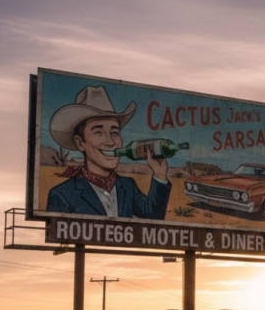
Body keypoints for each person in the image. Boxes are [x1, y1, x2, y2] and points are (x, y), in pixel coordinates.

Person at [46, 85, 171, 219]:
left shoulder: (128, 186)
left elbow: (153, 218)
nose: (110, 142)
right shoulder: (62, 194)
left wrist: (159, 174)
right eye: (98, 132)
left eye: (115, 132)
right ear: (80, 142)